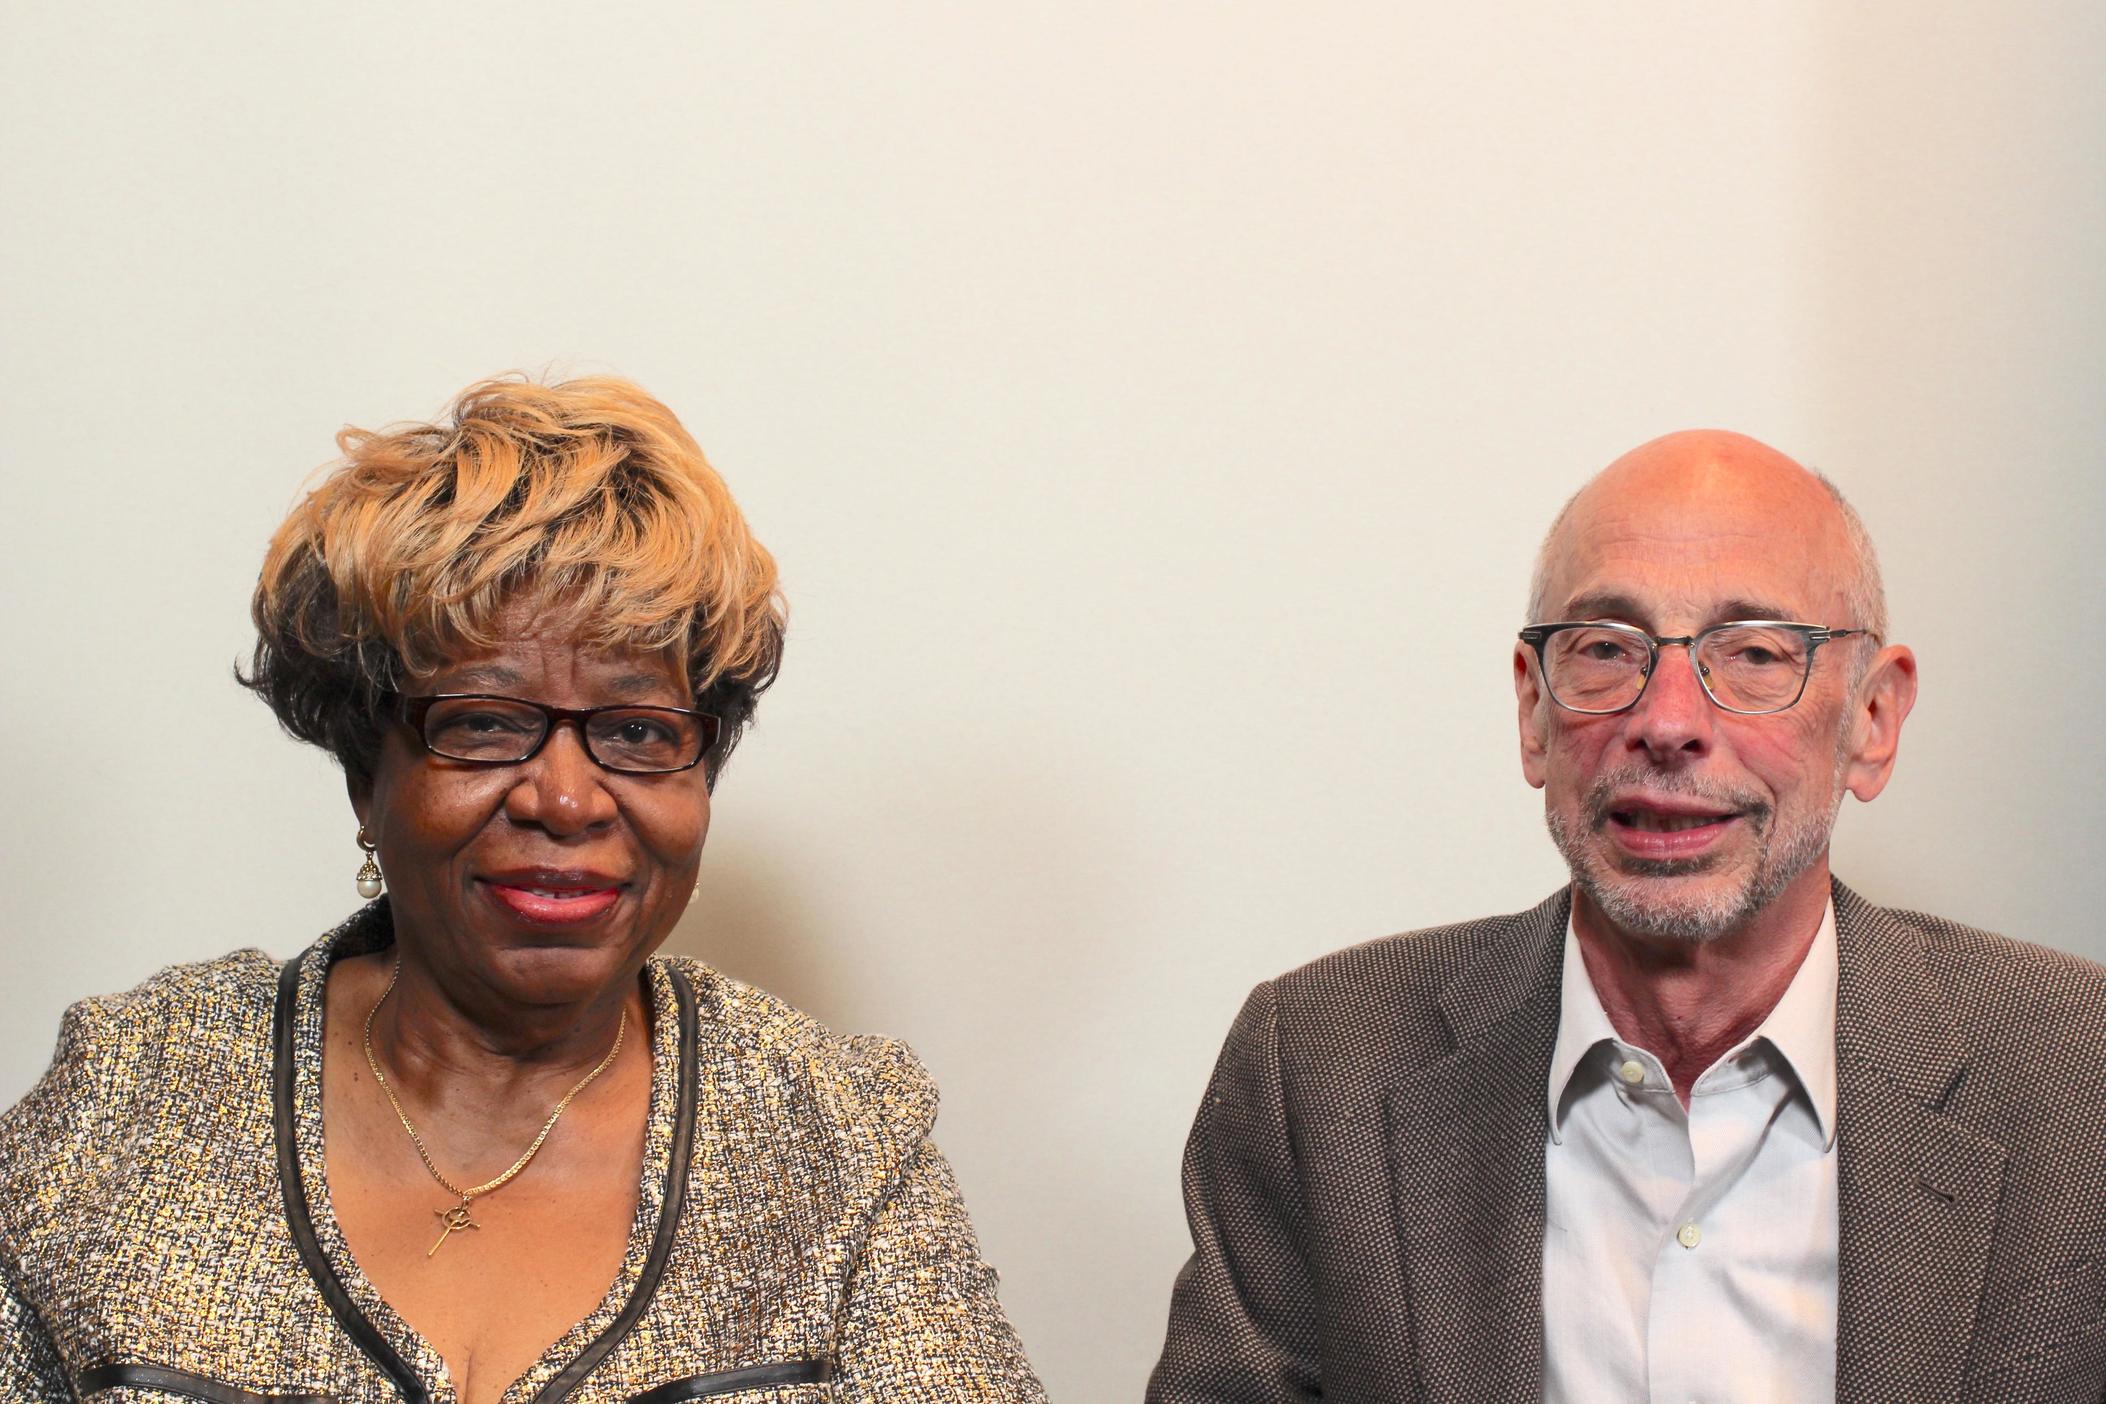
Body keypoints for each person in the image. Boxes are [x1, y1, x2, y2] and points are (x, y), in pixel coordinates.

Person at [0, 376, 1046, 1403]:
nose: (566, 798)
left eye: (638, 732)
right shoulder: (130, 1097)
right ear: (368, 774)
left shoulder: (839, 1143)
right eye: (486, 723)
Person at [1147, 431, 2106, 1403]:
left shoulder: (2083, 1083)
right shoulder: (1318, 1072)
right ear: (1532, 713)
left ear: (1872, 719)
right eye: (1607, 652)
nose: (1669, 720)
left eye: (1756, 654)